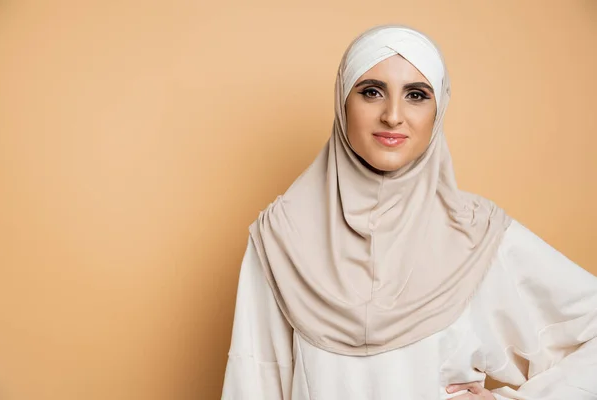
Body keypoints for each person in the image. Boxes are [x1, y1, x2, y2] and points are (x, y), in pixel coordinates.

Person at [221, 24, 597, 400]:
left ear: (438, 109)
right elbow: (250, 381)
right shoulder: (281, 237)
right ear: (342, 101)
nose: (393, 115)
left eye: (416, 95)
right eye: (371, 92)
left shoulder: (477, 235)